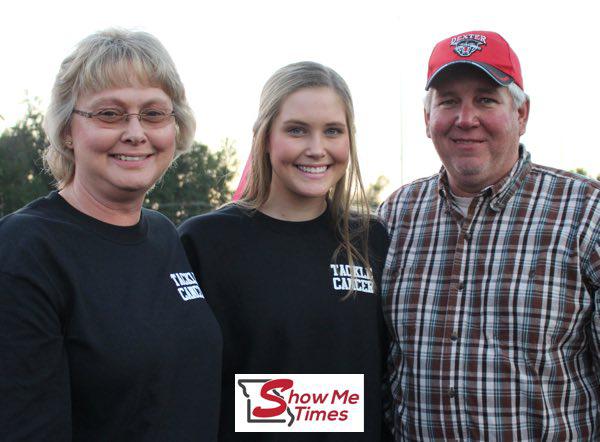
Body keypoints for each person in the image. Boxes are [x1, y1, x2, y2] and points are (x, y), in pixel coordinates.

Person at [0, 29, 222, 441]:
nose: (136, 132)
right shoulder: (25, 249)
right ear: (68, 130)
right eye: (109, 114)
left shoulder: (163, 235)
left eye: (154, 114)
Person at [379, 30, 600, 440]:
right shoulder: (395, 216)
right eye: (448, 101)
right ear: (427, 119)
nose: (466, 118)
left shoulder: (586, 213)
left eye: (485, 98)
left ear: (521, 115)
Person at [179, 61, 391, 441]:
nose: (316, 149)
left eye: (332, 131)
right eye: (296, 130)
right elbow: (185, 382)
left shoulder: (371, 239)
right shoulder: (205, 242)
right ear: (265, 136)